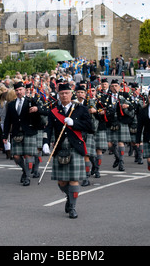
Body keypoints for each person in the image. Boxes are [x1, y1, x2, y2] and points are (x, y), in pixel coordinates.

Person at [42, 82, 94, 219]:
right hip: (60, 148)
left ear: (72, 94)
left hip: (75, 147)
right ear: (58, 95)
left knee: (74, 180)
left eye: (66, 93)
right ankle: (68, 196)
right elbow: (48, 129)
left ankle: (73, 207)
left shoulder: (81, 109)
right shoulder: (54, 111)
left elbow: (90, 127)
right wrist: (45, 143)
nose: (64, 95)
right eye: (61, 93)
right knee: (62, 182)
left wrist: (74, 123)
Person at [2, 81, 42, 186]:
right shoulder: (11, 104)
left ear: (24, 90)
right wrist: (5, 135)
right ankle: (25, 171)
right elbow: (7, 121)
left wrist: (37, 109)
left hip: (29, 131)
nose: (19, 92)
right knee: (16, 156)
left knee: (28, 155)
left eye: (20, 90)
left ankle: (27, 177)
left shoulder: (31, 101)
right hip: (16, 133)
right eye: (17, 90)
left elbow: (43, 112)